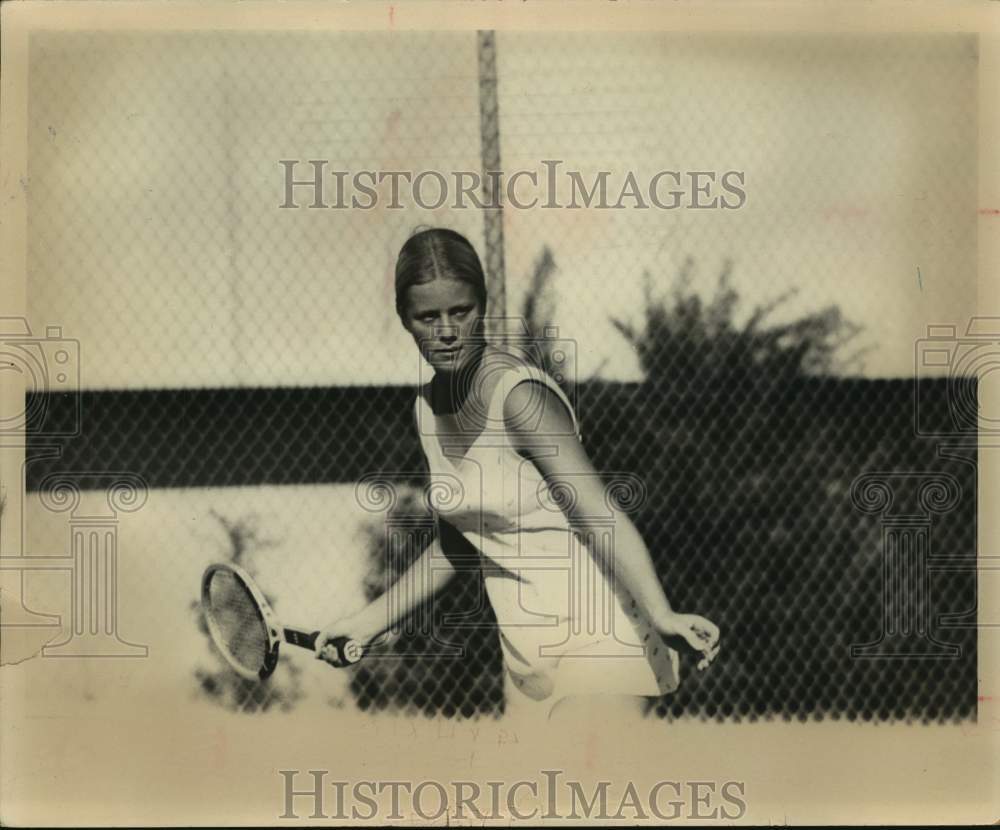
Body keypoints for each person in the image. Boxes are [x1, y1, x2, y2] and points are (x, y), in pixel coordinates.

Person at [316, 227, 720, 724]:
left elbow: (599, 511)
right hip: (529, 657)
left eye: (461, 311)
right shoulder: (426, 409)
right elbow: (459, 544)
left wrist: (661, 613)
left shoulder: (521, 397)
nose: (447, 331)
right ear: (405, 319)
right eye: (428, 317)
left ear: (483, 306)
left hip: (602, 634)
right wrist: (366, 623)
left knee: (586, 769)